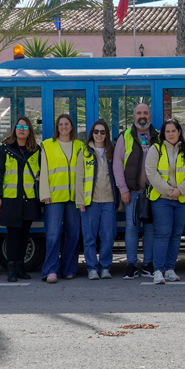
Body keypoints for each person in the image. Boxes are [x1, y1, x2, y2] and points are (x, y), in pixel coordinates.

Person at [146, 119, 185, 284]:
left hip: (183, 199)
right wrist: (170, 191)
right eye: (167, 131)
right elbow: (151, 173)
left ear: (179, 132)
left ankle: (170, 269)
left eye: (173, 131)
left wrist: (180, 190)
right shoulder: (156, 149)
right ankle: (158, 271)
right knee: (163, 234)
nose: (170, 134)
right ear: (163, 133)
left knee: (176, 235)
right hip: (161, 199)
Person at [0, 116, 42, 282]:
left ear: (29, 132)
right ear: (14, 129)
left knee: (24, 235)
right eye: (19, 126)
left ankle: (20, 268)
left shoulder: (36, 151)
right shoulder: (4, 150)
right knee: (12, 236)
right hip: (10, 199)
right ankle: (11, 269)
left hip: (29, 200)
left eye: (25, 127)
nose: (21, 129)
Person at [114, 103, 158, 278]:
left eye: (145, 113)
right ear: (133, 116)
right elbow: (117, 164)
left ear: (150, 116)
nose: (142, 116)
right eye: (139, 113)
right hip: (131, 193)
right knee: (132, 229)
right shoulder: (126, 136)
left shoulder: (158, 136)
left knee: (150, 229)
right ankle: (131, 265)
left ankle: (148, 264)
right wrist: (123, 190)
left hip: (152, 194)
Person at [39, 113, 84, 283]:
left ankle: (68, 269)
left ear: (72, 127)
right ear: (57, 128)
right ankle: (50, 270)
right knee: (53, 234)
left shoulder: (80, 146)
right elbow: (44, 172)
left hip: (74, 198)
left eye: (67, 124)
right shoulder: (47, 145)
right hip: (54, 197)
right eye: (60, 124)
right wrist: (44, 194)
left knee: (73, 234)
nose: (64, 127)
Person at [77, 119, 119, 280]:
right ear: (91, 134)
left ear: (106, 134)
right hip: (90, 202)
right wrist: (80, 200)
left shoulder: (112, 152)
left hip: (109, 201)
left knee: (108, 237)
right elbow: (79, 177)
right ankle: (92, 268)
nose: (99, 135)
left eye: (102, 132)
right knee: (89, 238)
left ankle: (105, 267)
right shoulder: (85, 152)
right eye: (96, 132)